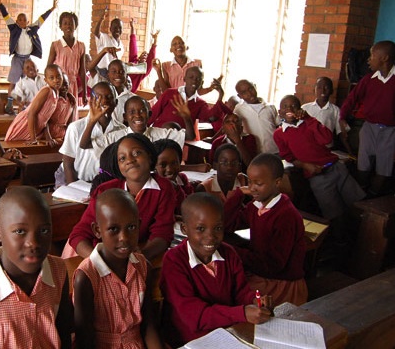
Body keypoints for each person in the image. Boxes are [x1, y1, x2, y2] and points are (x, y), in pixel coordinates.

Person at [0, 186, 73, 348]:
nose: (33, 243)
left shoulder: (58, 270)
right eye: (20, 231)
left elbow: (64, 334)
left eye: (44, 230)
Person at [160, 193, 271, 346]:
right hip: (190, 340)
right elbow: (194, 316)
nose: (211, 237)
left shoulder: (229, 254)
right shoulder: (174, 261)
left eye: (217, 228)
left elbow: (240, 292)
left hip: (227, 332)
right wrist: (242, 313)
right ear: (184, 229)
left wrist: (254, 301)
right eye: (200, 229)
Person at [73, 188, 162, 349]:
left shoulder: (143, 267)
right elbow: (84, 340)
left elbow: (149, 325)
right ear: (97, 230)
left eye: (131, 227)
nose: (124, 238)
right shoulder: (86, 276)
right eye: (114, 229)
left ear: (139, 225)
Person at [67, 133, 176, 263]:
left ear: (150, 157)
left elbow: (163, 233)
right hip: (98, 255)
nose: (130, 160)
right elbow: (79, 233)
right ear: (118, 166)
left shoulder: (164, 188)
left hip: (138, 254)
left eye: (136, 153)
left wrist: (138, 259)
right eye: (122, 158)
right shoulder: (104, 191)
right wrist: (98, 261)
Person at [274, 95, 365, 242]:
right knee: (334, 214)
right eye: (285, 107)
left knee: (357, 204)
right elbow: (289, 157)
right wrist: (305, 165)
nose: (289, 109)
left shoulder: (309, 124)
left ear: (300, 110)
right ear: (280, 112)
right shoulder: (279, 134)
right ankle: (340, 244)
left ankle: (363, 239)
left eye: (293, 106)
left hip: (337, 169)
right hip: (318, 177)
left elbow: (327, 139)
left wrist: (309, 119)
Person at [224, 153, 308, 305]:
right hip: (262, 272)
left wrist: (235, 252)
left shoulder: (285, 216)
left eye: (258, 183)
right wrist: (239, 194)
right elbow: (227, 224)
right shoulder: (256, 206)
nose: (252, 188)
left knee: (230, 296)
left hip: (281, 283)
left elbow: (274, 265)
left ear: (277, 182)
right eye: (250, 182)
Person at [340, 40, 395, 196]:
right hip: (369, 127)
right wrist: (342, 116)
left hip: (390, 131)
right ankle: (361, 193)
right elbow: (352, 98)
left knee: (384, 168)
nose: (368, 59)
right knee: (363, 164)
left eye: (372, 55)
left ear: (384, 58)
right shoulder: (369, 79)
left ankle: (372, 196)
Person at [0, 0, 57, 114]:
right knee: (14, 81)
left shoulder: (32, 29)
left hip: (27, 58)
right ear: (16, 21)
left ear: (27, 22)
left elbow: (42, 19)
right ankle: (10, 104)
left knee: (28, 80)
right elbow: (5, 15)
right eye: (19, 19)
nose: (21, 21)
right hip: (17, 58)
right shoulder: (13, 28)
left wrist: (52, 9)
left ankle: (28, 103)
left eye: (24, 20)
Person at [57, 81, 125, 186]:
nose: (104, 101)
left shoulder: (121, 130)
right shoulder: (76, 127)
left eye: (109, 97)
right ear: (91, 101)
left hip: (101, 182)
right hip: (73, 178)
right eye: (98, 97)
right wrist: (74, 188)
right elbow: (68, 164)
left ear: (115, 103)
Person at [82, 96, 193, 159]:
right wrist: (92, 121)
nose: (138, 115)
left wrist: (187, 118)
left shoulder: (161, 134)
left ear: (149, 115)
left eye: (142, 111)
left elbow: (189, 136)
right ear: (125, 117)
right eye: (132, 112)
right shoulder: (116, 137)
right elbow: (84, 144)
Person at [149, 66, 228, 130]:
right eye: (191, 77)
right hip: (159, 132)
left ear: (202, 83)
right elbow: (153, 113)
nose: (194, 81)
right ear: (184, 79)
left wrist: (221, 95)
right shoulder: (170, 93)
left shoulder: (200, 103)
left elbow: (211, 117)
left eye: (198, 79)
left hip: (179, 139)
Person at [4, 64, 63, 146]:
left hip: (35, 128)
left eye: (59, 77)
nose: (56, 80)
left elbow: (46, 119)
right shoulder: (46, 91)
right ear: (45, 80)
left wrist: (48, 137)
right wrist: (33, 139)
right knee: (15, 146)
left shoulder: (56, 92)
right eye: (51, 78)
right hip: (25, 125)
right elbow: (31, 113)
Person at [302, 76, 352, 154]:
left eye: (326, 88)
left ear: (331, 91)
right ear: (314, 90)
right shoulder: (305, 108)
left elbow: (341, 133)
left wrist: (350, 152)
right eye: (319, 87)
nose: (323, 90)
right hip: (308, 147)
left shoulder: (335, 110)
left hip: (326, 148)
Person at [48, 12, 86, 104]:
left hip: (73, 85)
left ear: (75, 26)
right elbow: (49, 67)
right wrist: (50, 86)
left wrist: (84, 93)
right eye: (65, 23)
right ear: (61, 27)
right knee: (58, 110)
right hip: (59, 84)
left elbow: (82, 71)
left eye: (71, 23)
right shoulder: (55, 45)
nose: (68, 26)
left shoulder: (81, 46)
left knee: (71, 111)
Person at [233, 79, 279, 154]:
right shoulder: (239, 109)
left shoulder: (270, 107)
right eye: (244, 92)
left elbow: (277, 127)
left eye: (250, 89)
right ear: (239, 96)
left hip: (274, 150)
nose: (249, 94)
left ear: (255, 87)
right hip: (253, 152)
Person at [153, 139, 193, 214]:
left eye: (174, 163)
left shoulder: (182, 179)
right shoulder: (151, 185)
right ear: (154, 165)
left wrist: (177, 189)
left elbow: (190, 207)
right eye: (163, 165)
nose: (169, 169)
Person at [93, 9, 124, 79]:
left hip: (112, 73)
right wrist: (101, 20)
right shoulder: (105, 38)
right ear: (110, 29)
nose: (117, 30)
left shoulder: (121, 46)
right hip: (101, 72)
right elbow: (96, 33)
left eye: (120, 27)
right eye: (115, 27)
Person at [47, 77, 77, 144]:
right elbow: (45, 121)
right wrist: (48, 138)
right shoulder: (53, 99)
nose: (63, 87)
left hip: (62, 135)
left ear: (69, 84)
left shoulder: (71, 100)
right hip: (48, 134)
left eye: (66, 84)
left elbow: (70, 122)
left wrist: (67, 136)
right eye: (61, 84)